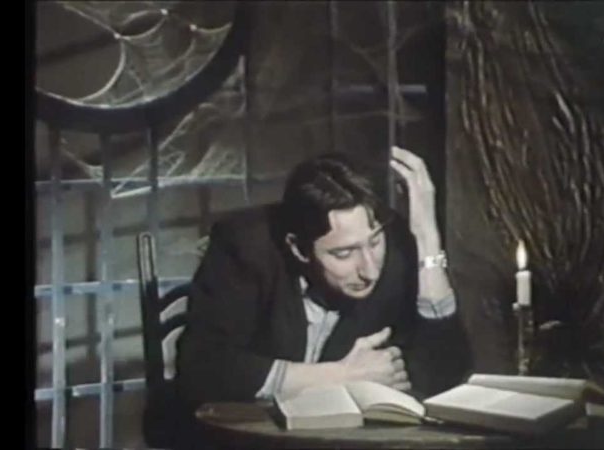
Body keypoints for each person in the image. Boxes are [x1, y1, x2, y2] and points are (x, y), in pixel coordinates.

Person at [172, 146, 469, 446]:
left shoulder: (395, 251)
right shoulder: (246, 246)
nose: (369, 270)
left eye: (374, 242)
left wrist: (428, 243)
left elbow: (446, 378)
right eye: (344, 253)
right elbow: (202, 368)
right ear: (299, 248)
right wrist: (338, 376)